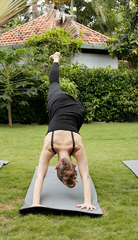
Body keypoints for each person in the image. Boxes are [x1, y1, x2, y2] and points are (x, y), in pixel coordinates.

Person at [31, 52, 96, 211]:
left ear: (73, 165)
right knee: (54, 83)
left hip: (78, 109)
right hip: (58, 103)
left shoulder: (78, 147)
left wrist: (36, 203)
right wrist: (35, 202)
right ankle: (57, 58)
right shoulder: (49, 147)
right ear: (56, 166)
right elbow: (40, 176)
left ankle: (56, 58)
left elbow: (85, 175)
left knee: (74, 126)